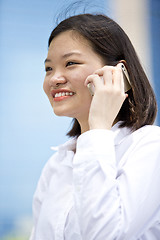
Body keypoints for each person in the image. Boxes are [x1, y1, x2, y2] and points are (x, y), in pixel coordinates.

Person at [30, 14, 160, 240]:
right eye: (48, 68)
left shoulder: (150, 146)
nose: (54, 79)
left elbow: (103, 235)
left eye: (70, 63)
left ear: (118, 73)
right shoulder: (57, 164)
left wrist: (97, 129)